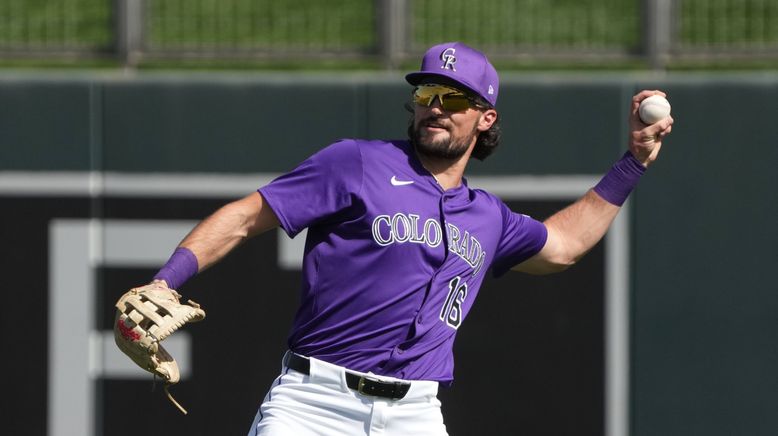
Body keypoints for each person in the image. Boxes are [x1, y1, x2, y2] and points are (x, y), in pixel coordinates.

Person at [149, 42, 673, 435]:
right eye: (426, 92)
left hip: (416, 413)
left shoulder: (486, 217)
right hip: (313, 404)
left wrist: (633, 163)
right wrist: (167, 281)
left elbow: (563, 247)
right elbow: (245, 216)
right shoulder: (357, 162)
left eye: (454, 97)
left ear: (486, 118)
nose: (436, 106)